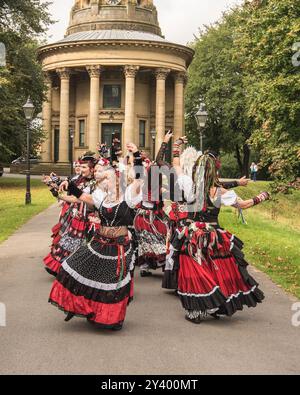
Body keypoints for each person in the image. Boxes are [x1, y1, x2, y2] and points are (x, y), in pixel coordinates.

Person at [164, 140, 268, 324]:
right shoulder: (221, 192)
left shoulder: (189, 186)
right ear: (215, 171)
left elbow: (177, 165)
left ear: (197, 169)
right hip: (214, 236)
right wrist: (261, 196)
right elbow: (243, 205)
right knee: (216, 267)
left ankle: (203, 305)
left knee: (196, 269)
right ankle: (214, 300)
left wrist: (176, 148)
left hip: (193, 236)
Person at [48, 143, 144, 331]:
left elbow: (139, 179)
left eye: (107, 178)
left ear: (117, 180)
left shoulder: (128, 197)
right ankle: (81, 306)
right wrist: (69, 184)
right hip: (99, 242)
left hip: (119, 247)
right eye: (102, 179)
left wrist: (137, 155)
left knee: (111, 285)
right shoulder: (101, 197)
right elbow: (83, 197)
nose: (103, 182)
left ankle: (109, 317)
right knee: (72, 265)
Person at [43, 156, 97, 277]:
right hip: (77, 216)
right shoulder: (80, 180)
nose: (81, 169)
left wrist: (59, 194)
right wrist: (55, 190)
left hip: (91, 219)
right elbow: (73, 197)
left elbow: (77, 199)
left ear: (92, 169)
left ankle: (78, 273)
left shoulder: (95, 184)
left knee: (84, 247)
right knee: (68, 242)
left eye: (84, 167)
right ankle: (61, 269)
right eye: (80, 166)